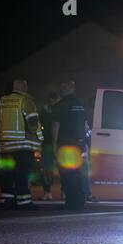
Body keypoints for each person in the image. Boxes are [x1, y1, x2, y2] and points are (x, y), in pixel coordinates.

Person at [0, 79, 43, 210]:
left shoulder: (2, 101)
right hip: (22, 145)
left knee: (7, 174)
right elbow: (33, 123)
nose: (27, 86)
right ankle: (24, 202)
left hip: (5, 146)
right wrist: (38, 137)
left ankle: (7, 201)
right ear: (22, 86)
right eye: (25, 84)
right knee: (22, 174)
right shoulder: (25, 101)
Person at [52, 81, 87, 210]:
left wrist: (54, 144)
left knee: (67, 174)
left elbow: (56, 125)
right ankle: (80, 200)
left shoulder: (60, 105)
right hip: (79, 144)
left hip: (65, 145)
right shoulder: (80, 104)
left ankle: (71, 202)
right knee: (78, 172)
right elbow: (84, 124)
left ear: (64, 89)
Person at [39, 92, 60, 200]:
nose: (53, 102)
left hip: (55, 143)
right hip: (50, 143)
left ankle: (61, 192)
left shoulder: (57, 109)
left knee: (61, 169)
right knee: (46, 168)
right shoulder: (47, 110)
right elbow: (40, 124)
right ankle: (47, 191)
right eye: (51, 100)